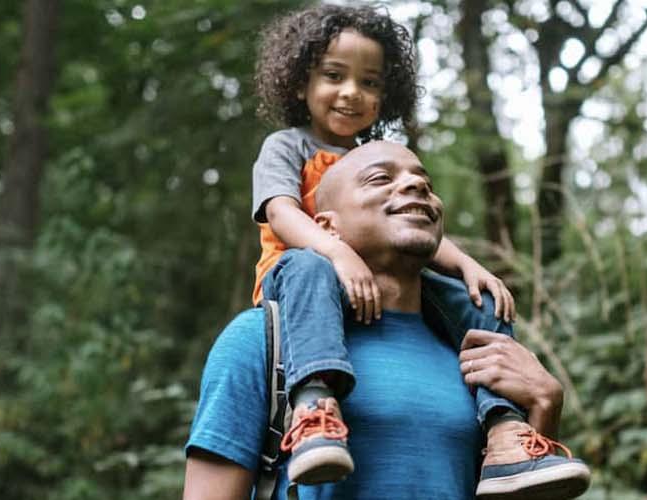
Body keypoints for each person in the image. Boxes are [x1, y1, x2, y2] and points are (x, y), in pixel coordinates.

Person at [245, 5, 587, 497]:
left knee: (479, 302)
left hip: (380, 283)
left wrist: (469, 266)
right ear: (300, 84)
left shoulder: (381, 153)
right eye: (334, 76)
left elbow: (414, 231)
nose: (351, 93)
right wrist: (337, 253)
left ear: (385, 96)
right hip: (302, 279)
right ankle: (315, 407)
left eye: (369, 83)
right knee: (307, 266)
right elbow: (281, 214)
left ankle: (505, 433)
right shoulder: (287, 147)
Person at [186, 142, 589, 499]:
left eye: (425, 183)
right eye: (380, 178)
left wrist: (544, 409)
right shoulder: (260, 340)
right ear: (327, 226)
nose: (416, 186)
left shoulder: (479, 351)